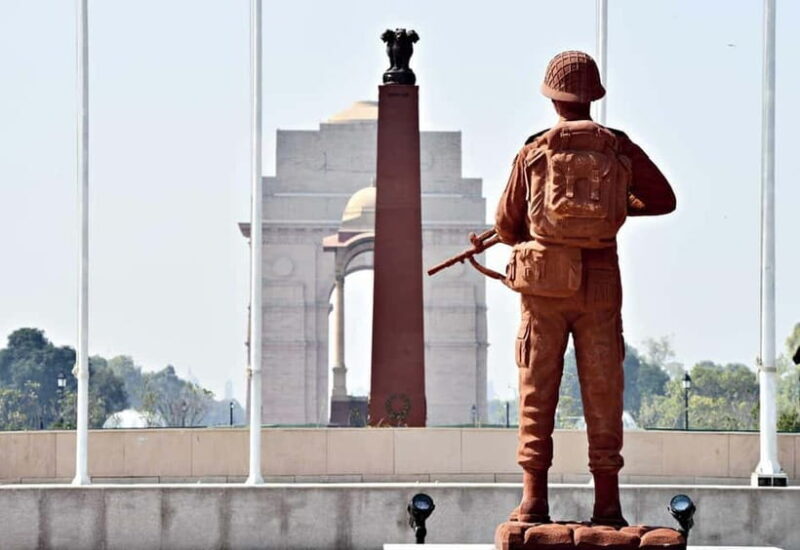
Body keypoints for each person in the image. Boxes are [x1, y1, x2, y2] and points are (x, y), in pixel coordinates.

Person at [494, 50, 676, 526]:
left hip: (545, 288)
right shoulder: (618, 146)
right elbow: (663, 199)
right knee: (603, 390)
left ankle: (533, 502)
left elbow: (507, 225)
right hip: (600, 284)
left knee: (537, 391)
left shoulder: (534, 150)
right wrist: (617, 204)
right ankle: (608, 506)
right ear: (593, 96)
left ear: (553, 98)